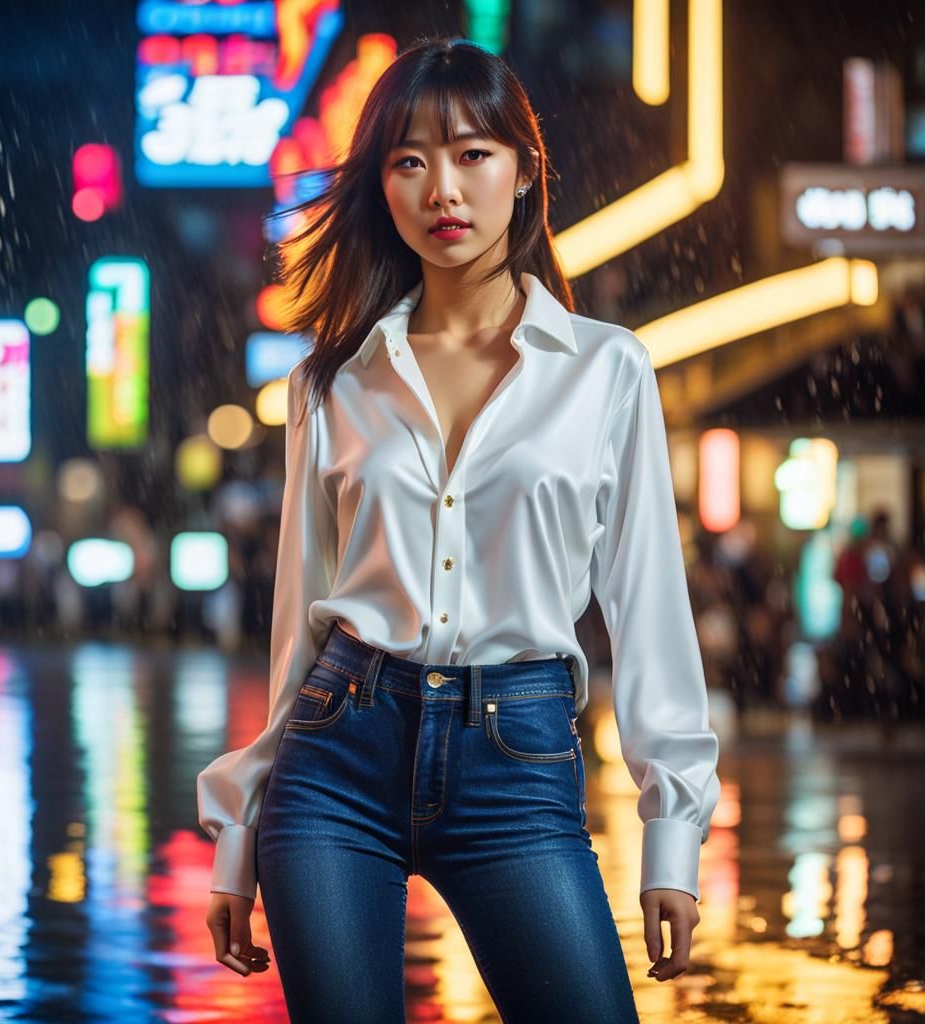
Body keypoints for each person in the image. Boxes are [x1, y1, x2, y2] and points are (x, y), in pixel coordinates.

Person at [197, 35, 722, 1023]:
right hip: (335, 760)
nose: (443, 188)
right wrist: (236, 839)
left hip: (517, 764)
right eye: (409, 160)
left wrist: (673, 837)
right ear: (382, 188)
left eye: (472, 154)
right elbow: (294, 629)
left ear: (525, 173)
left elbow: (648, 606)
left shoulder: (605, 371)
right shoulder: (331, 380)